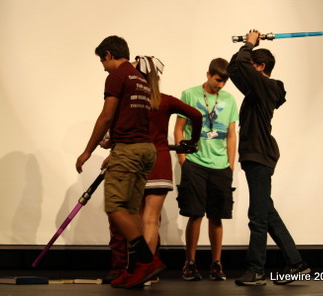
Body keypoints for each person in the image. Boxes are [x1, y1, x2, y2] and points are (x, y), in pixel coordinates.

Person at [103, 56, 203, 284]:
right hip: (159, 163)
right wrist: (192, 142)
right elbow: (196, 115)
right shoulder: (165, 101)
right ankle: (145, 270)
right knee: (150, 220)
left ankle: (137, 269)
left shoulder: (132, 100)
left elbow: (119, 127)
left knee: (135, 220)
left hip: (135, 163)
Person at [75, 36, 165, 289]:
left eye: (102, 61)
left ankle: (147, 261)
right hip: (145, 149)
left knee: (115, 208)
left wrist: (87, 152)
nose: (103, 66)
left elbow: (106, 116)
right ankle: (136, 269)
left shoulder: (117, 76)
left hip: (129, 151)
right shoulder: (141, 79)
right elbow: (131, 118)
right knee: (129, 209)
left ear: (108, 54)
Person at [227, 29, 311, 286]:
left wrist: (250, 43)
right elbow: (234, 69)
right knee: (266, 212)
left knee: (258, 216)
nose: (248, 69)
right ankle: (297, 263)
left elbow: (242, 64)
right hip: (257, 155)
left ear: (261, 66)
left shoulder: (265, 86)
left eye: (253, 64)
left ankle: (256, 270)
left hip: (260, 155)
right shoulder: (257, 90)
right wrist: (247, 48)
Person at [174, 58, 238, 281]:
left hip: (221, 166)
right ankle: (189, 263)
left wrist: (230, 164)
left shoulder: (230, 100)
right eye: (218, 80)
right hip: (196, 163)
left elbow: (232, 134)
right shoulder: (190, 94)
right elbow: (179, 129)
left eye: (224, 82)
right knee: (195, 214)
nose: (220, 85)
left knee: (217, 216)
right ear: (208, 74)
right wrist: (183, 159)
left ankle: (216, 264)